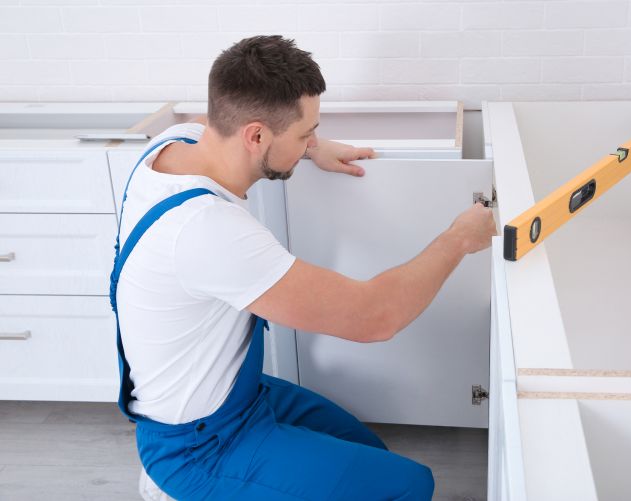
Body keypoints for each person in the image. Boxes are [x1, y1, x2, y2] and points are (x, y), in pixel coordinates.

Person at [110, 35, 496, 500]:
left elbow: (203, 121)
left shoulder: (175, 145)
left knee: (366, 447)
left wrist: (309, 149)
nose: (312, 139)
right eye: (304, 132)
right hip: (199, 445)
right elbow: (376, 316)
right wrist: (458, 239)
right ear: (256, 136)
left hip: (239, 396)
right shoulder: (208, 230)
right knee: (409, 486)